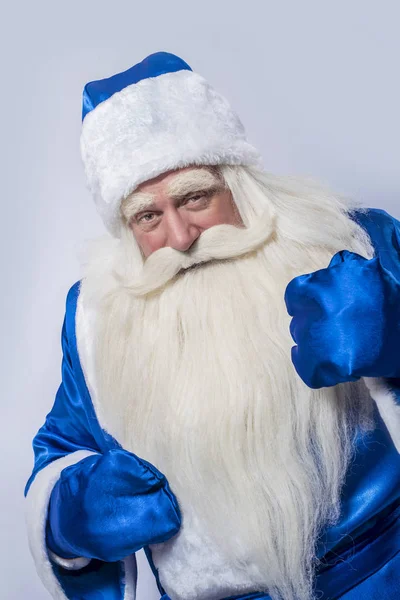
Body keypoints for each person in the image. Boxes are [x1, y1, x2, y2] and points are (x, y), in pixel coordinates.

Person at [25, 51, 400, 600]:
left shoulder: (349, 244)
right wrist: (71, 517)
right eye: (148, 217)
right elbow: (62, 447)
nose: (180, 238)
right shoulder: (95, 318)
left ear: (236, 180)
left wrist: (393, 339)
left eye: (194, 197)